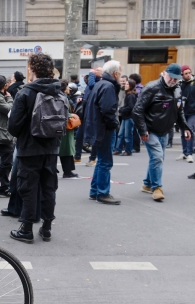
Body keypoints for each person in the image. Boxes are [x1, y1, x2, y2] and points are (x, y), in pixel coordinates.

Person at [8, 53, 65, 243]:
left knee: (28, 188)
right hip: (51, 148)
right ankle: (47, 227)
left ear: (32, 69)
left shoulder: (25, 92)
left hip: (29, 148)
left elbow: (13, 127)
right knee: (49, 188)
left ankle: (26, 228)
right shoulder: (58, 91)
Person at [133, 63, 192, 201]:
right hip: (150, 129)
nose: (173, 80)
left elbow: (179, 110)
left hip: (164, 130)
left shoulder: (177, 89)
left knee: (158, 158)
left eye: (176, 78)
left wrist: (185, 128)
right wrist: (143, 130)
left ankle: (147, 184)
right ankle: (157, 187)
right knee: (158, 157)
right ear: (164, 73)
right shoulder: (151, 88)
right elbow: (137, 110)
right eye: (171, 77)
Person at [83, 60, 122, 205]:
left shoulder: (101, 84)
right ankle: (102, 193)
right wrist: (114, 124)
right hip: (104, 128)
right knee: (105, 161)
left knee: (101, 160)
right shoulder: (108, 86)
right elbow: (108, 110)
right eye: (120, 71)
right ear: (115, 73)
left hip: (98, 127)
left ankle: (95, 191)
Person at [59, 79, 79, 178]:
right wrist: (73, 115)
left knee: (67, 149)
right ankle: (67, 171)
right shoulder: (64, 98)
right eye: (67, 86)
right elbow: (65, 113)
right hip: (66, 126)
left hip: (65, 126)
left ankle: (69, 170)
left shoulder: (64, 97)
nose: (69, 88)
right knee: (66, 149)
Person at [114, 79, 138, 156]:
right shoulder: (128, 94)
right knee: (121, 134)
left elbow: (130, 107)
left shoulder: (130, 95)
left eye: (127, 84)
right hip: (125, 117)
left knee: (128, 135)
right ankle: (118, 149)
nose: (125, 85)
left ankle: (128, 150)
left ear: (130, 86)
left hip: (129, 117)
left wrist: (121, 109)